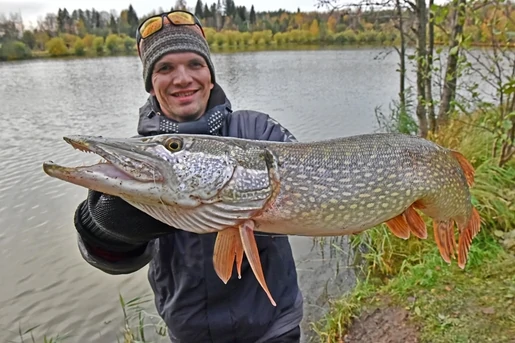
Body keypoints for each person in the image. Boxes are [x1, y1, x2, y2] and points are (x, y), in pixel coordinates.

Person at [73, 10, 303, 343]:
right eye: (165, 68)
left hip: (272, 326)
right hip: (191, 332)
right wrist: (106, 230)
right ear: (151, 83)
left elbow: (313, 186)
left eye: (195, 64)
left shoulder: (257, 131)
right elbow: (111, 261)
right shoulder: (144, 159)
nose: (183, 79)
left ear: (210, 74)